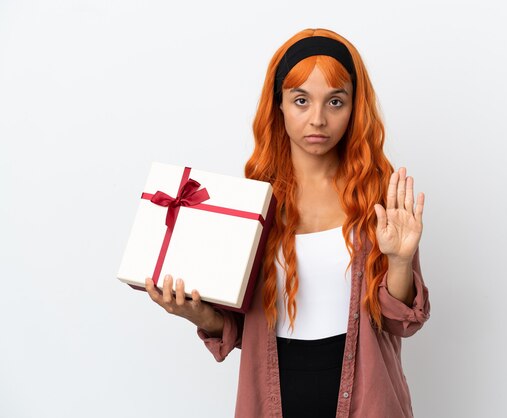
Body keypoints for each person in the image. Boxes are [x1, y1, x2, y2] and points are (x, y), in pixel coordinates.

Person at [144, 28, 431, 418]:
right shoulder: (250, 205)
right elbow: (246, 331)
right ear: (277, 104)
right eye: (301, 100)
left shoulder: (378, 200)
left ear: (354, 107)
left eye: (335, 101)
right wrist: (197, 313)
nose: (318, 119)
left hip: (367, 403)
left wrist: (399, 262)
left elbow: (401, 324)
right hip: (273, 402)